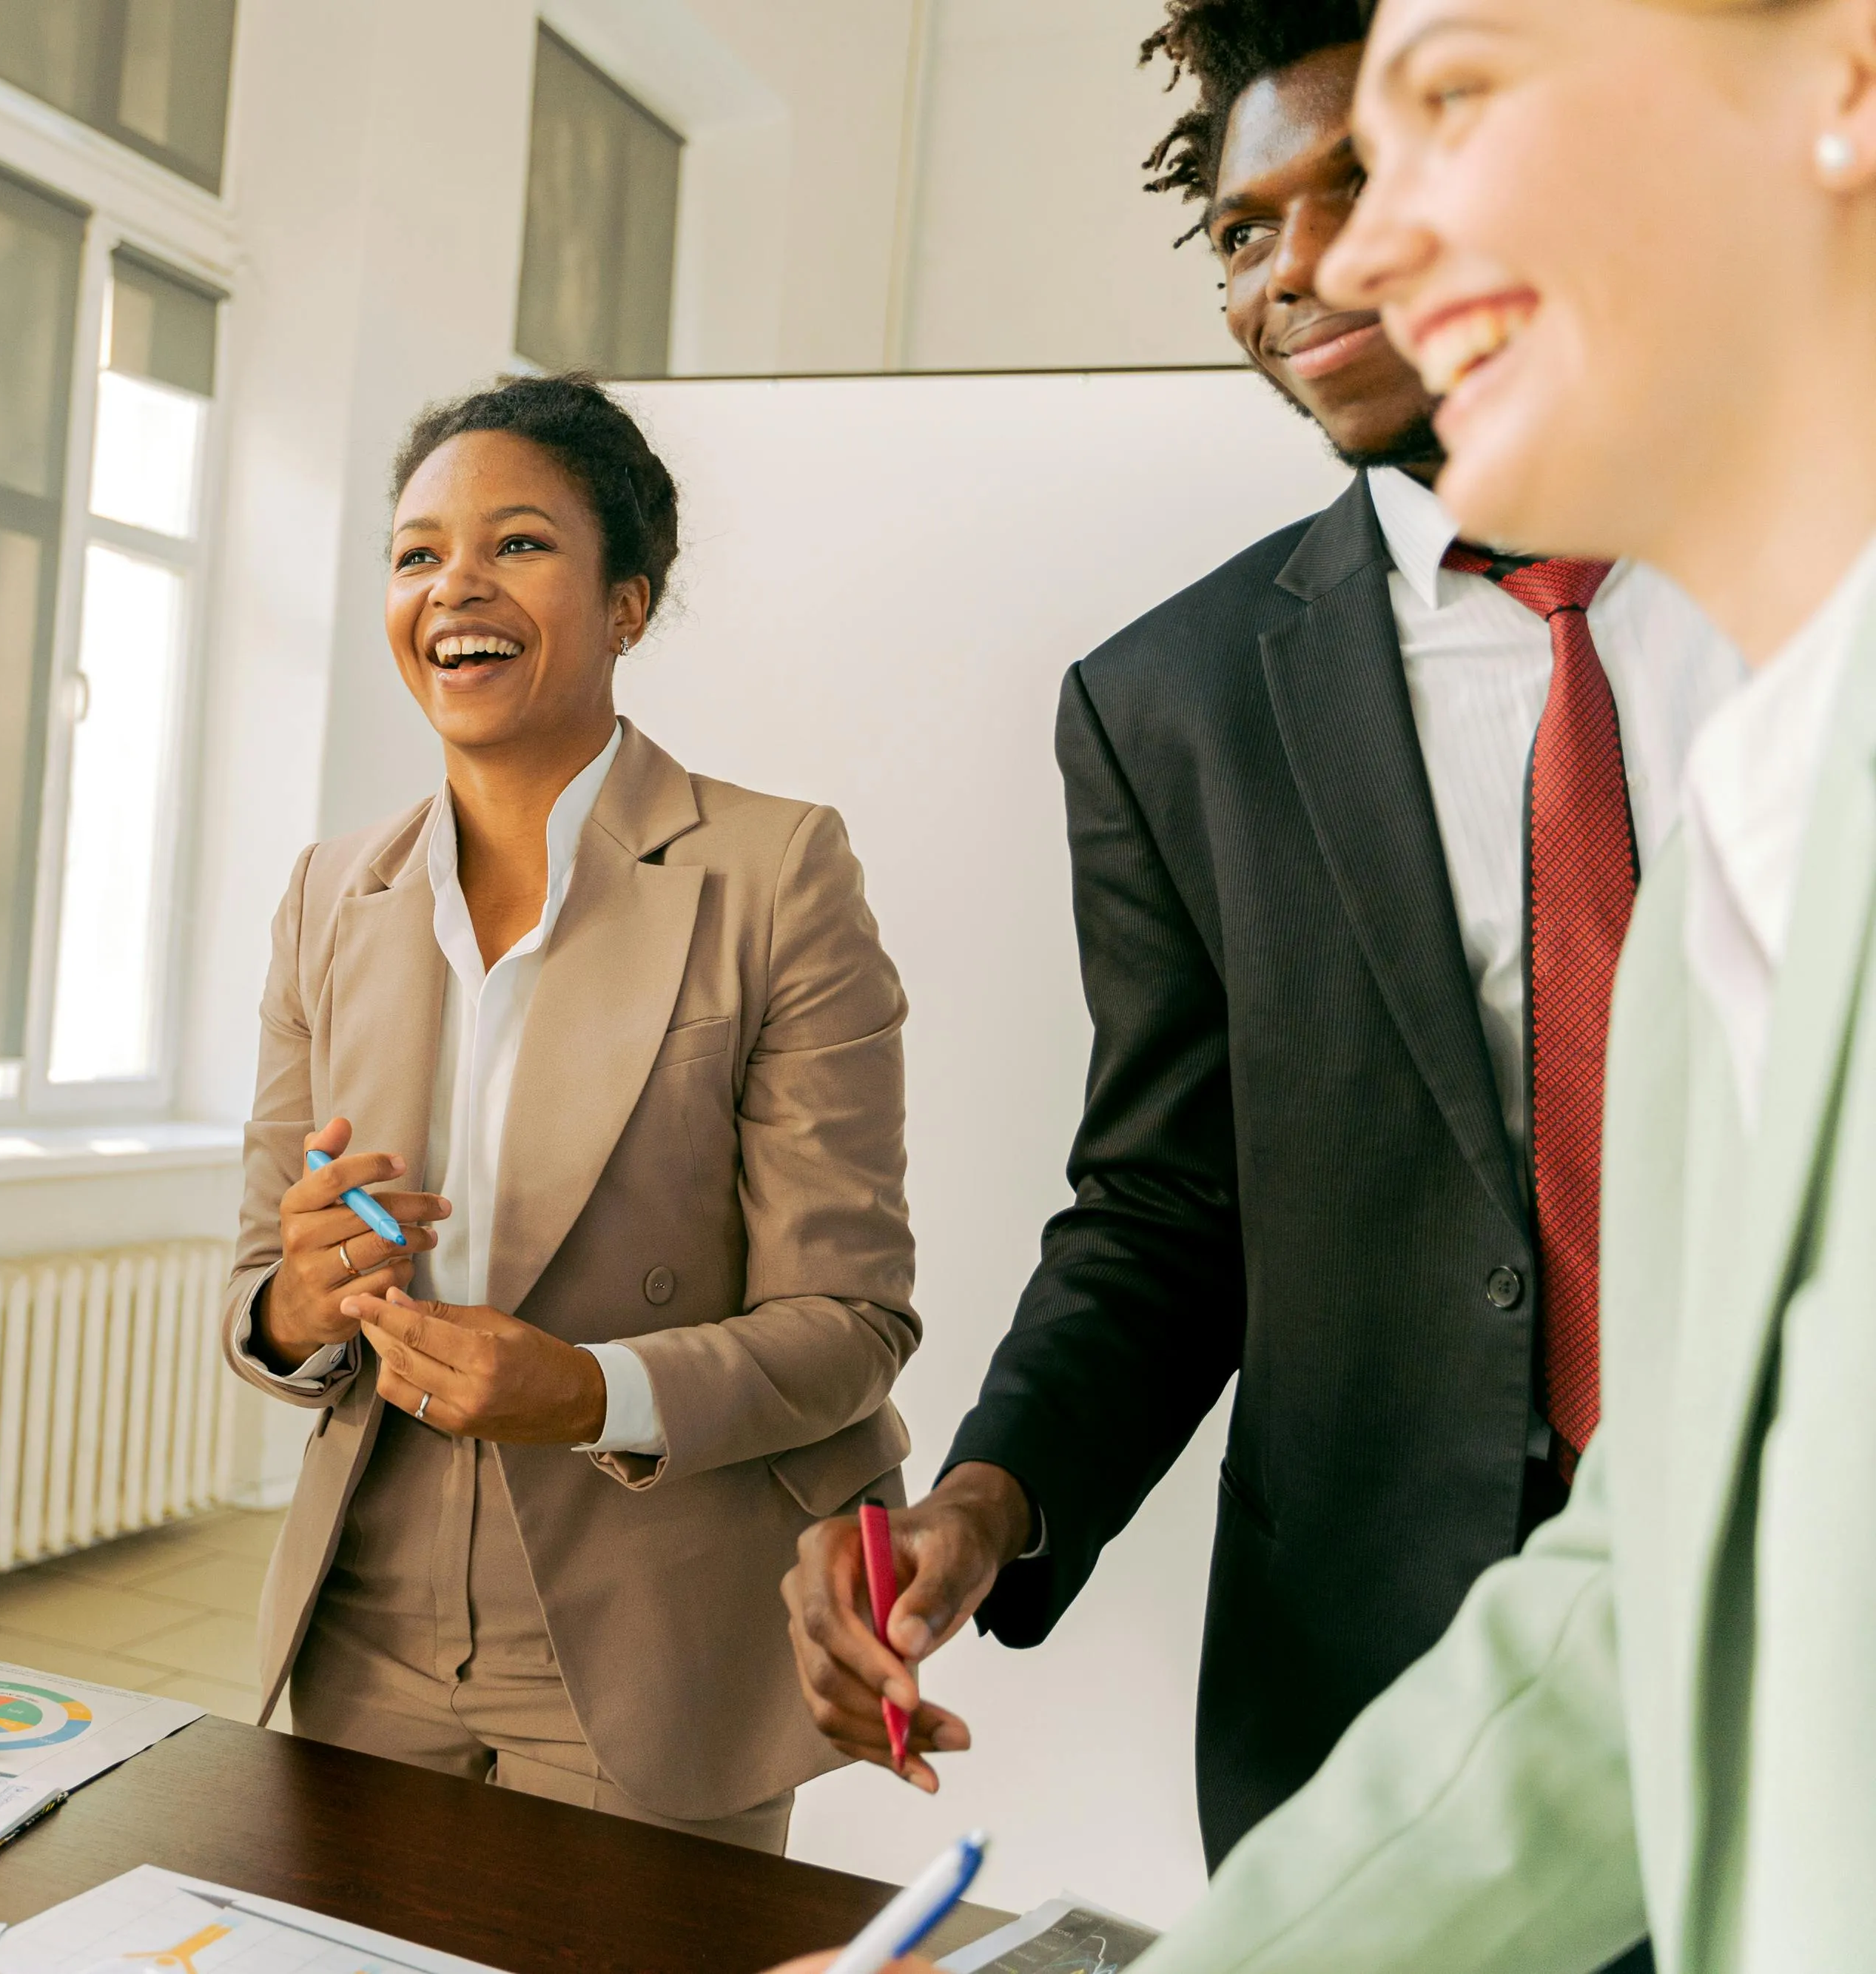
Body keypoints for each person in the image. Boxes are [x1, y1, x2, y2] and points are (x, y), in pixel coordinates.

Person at [778, 0, 1737, 1878]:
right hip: (1376, 1667)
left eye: (1357, 184)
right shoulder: (1171, 704)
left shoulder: (1805, 589)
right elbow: (1164, 1209)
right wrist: (988, 1496)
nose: (1297, 266)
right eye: (1236, 230)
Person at [1100, 0, 1876, 1963]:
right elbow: (1641, 1602)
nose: (1345, 261)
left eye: (1448, 110)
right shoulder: (1742, 853)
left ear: (1841, 79)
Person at [222, 375, 918, 1850]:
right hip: (369, 1621)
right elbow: (259, 1303)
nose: (453, 585)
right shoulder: (324, 897)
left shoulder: (773, 872)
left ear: (625, 607)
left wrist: (591, 1390)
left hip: (651, 1620)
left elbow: (850, 1321)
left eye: (517, 544)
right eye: (416, 554)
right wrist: (301, 1295)